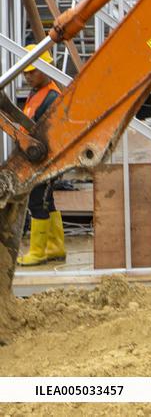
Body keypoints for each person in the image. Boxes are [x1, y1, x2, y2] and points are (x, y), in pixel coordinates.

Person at [16, 44, 65, 266]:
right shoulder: (37, 93)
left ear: (45, 68)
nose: (28, 76)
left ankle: (38, 251)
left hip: (45, 160)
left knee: (38, 202)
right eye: (25, 72)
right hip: (36, 158)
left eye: (32, 71)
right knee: (47, 201)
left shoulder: (51, 97)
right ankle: (55, 247)